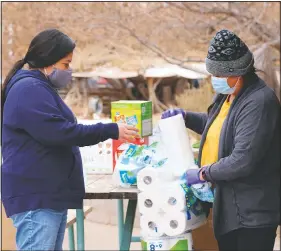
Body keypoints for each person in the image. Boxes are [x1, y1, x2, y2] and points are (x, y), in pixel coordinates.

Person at [1, 29, 138, 251]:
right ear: (48, 61)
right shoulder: (29, 89)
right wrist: (110, 129)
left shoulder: (39, 87)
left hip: (48, 194)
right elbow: (61, 132)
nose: (69, 70)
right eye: (66, 64)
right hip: (37, 197)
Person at [162, 29, 280, 251]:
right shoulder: (229, 94)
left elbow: (243, 160)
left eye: (218, 75)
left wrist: (203, 173)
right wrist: (186, 117)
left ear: (238, 73)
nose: (214, 80)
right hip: (230, 209)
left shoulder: (259, 102)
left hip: (251, 215)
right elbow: (219, 126)